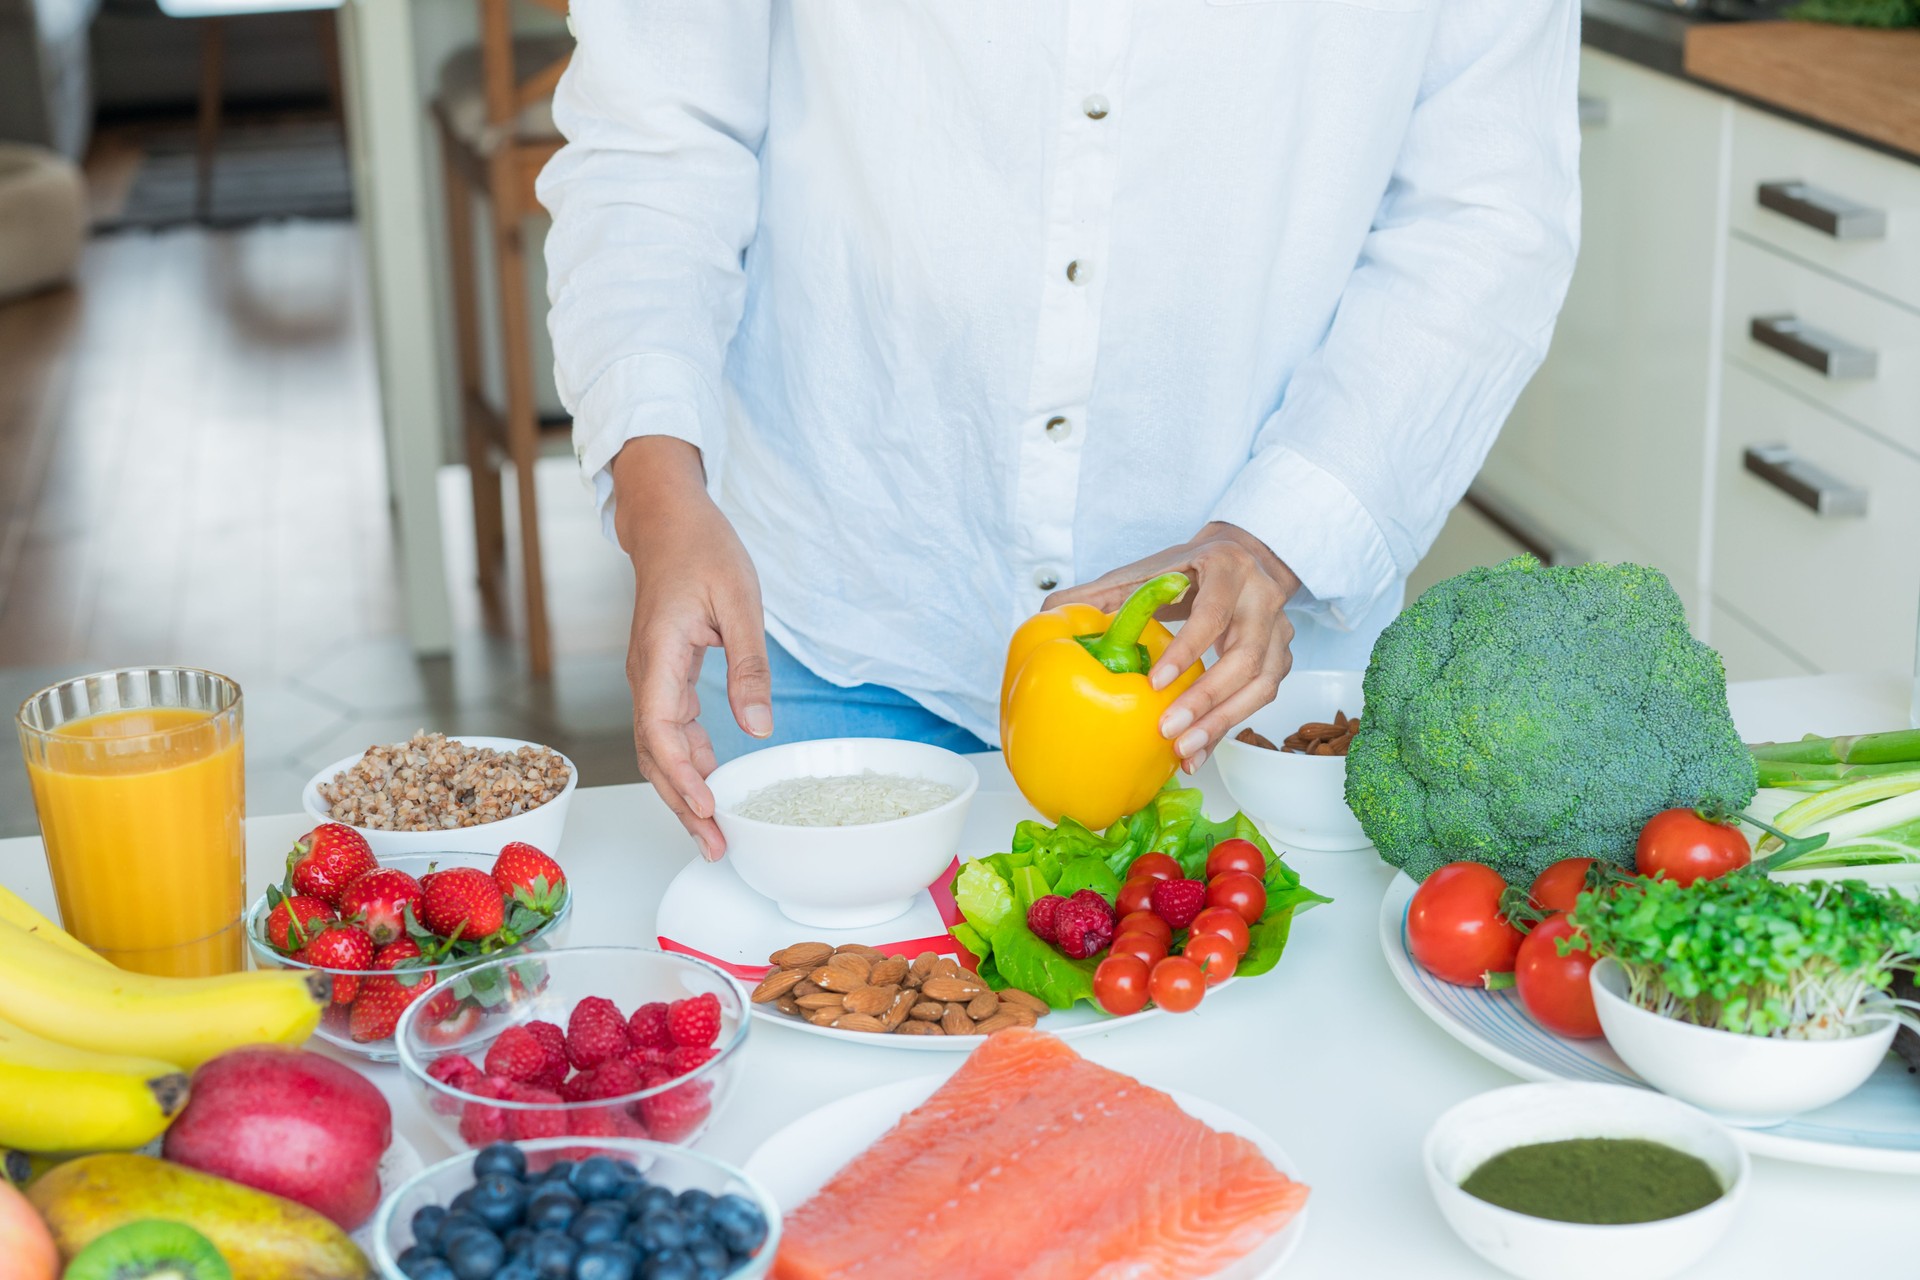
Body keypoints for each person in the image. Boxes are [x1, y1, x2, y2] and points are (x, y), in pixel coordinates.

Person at [539, 2, 1581, 860]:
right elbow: (656, 137)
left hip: (1237, 676)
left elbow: (1484, 217)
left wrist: (1275, 537)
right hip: (828, 621)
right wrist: (658, 491)